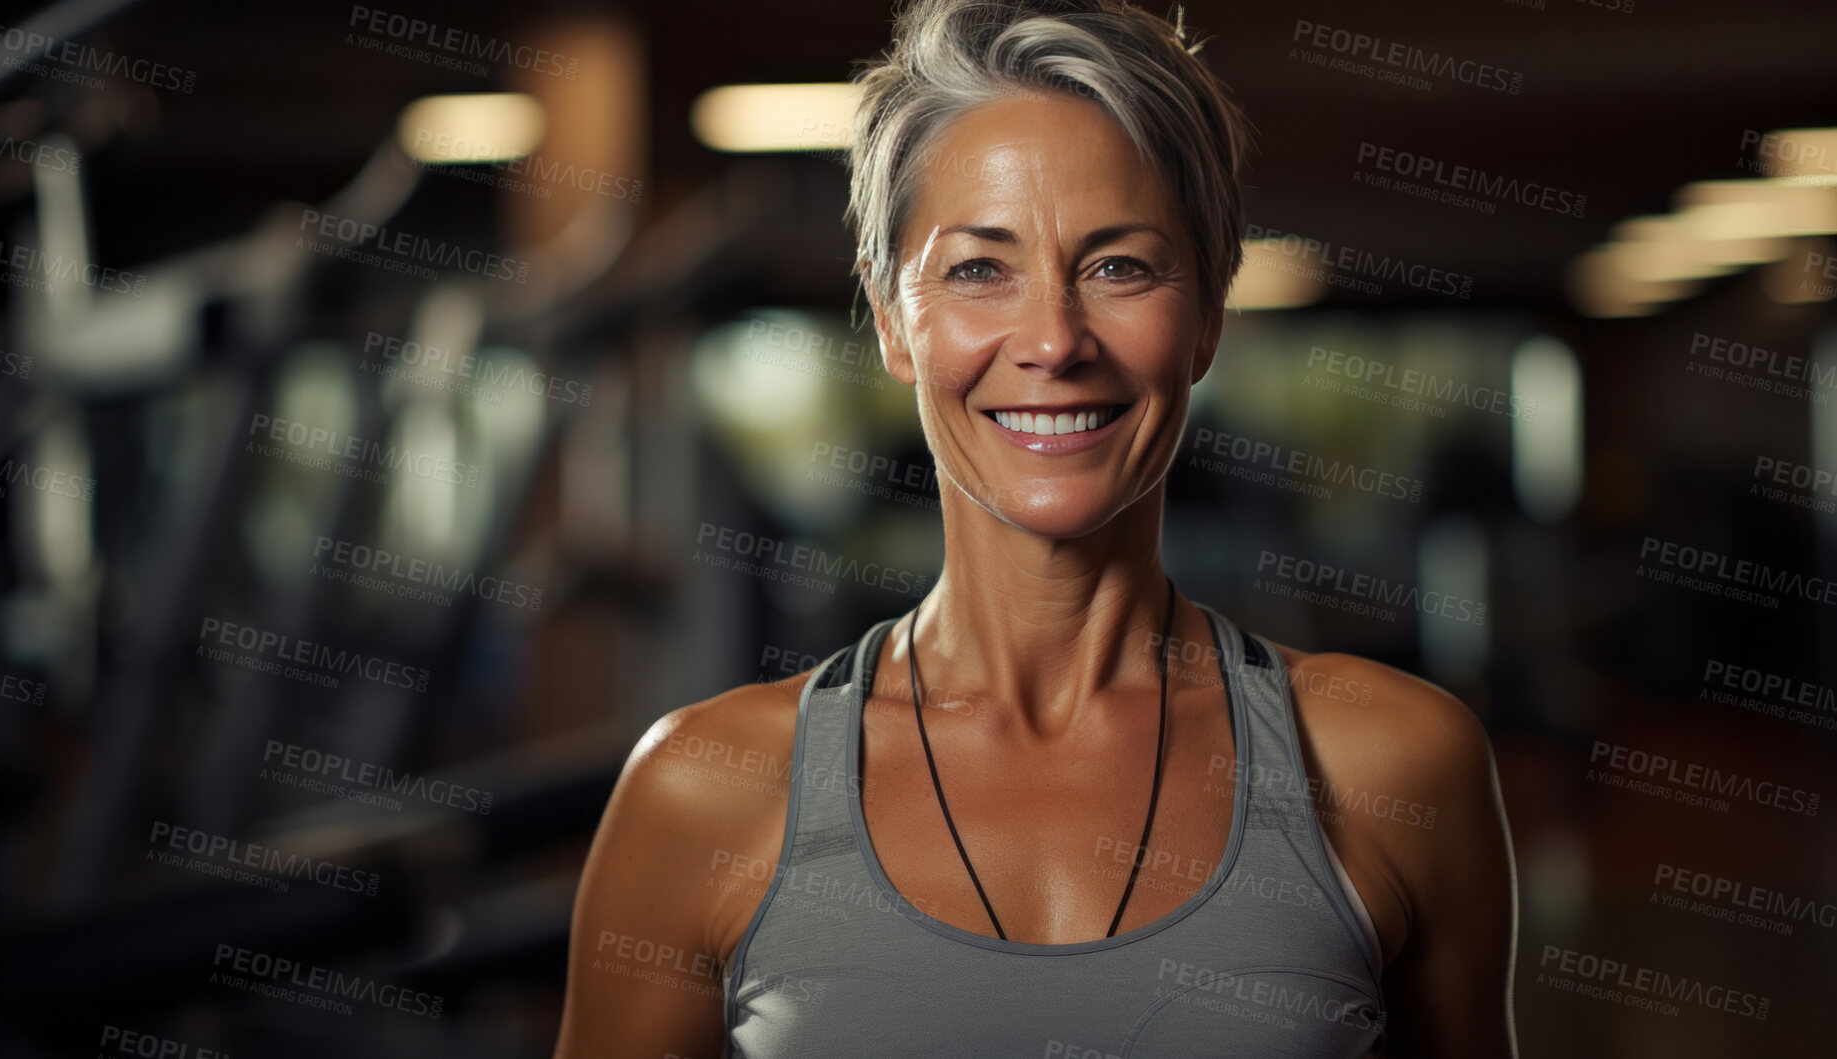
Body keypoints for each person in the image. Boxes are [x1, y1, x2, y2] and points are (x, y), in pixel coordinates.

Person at [552, 1, 1517, 1055]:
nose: (1053, 340)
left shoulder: (1393, 768)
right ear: (888, 318)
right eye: (978, 269)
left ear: (1205, 315)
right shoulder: (700, 789)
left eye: (1119, 267)